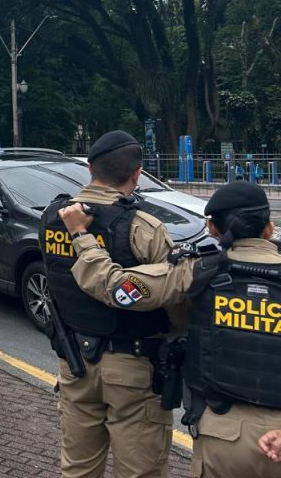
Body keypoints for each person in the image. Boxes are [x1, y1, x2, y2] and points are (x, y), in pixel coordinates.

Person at [61, 181, 281, 478]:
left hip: (222, 435)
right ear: (269, 228)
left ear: (213, 228)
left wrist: (81, 236)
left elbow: (118, 290)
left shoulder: (194, 272)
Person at [39, 130, 175, 478]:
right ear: (137, 174)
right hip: (132, 367)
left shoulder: (53, 217)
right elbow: (172, 301)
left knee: (79, 468)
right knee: (140, 470)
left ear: (89, 168)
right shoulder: (144, 227)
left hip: (74, 362)